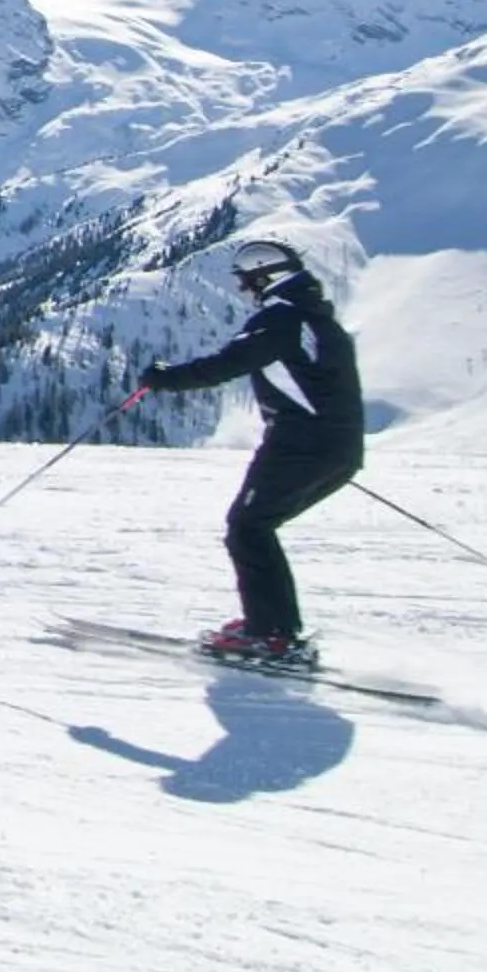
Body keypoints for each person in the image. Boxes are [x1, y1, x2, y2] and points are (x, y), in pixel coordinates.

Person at [140, 239, 364, 667]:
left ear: (267, 276)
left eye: (247, 282)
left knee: (248, 528)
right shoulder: (316, 319)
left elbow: (226, 364)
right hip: (332, 447)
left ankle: (271, 635)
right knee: (254, 527)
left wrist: (162, 379)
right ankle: (273, 628)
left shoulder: (280, 320)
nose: (246, 291)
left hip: (301, 446)